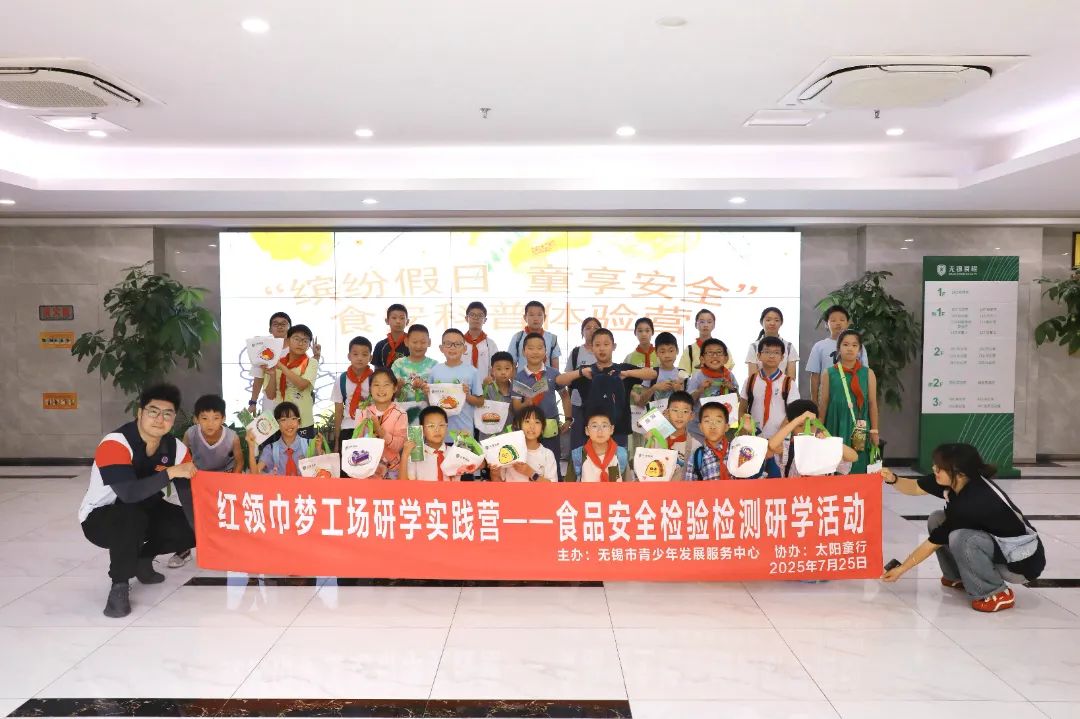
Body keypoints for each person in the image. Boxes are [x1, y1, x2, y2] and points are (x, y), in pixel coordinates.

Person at [881, 443, 1046, 613]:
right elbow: (915, 487)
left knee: (962, 538)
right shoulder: (955, 481)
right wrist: (893, 479)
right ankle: (957, 576)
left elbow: (932, 543)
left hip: (1020, 563)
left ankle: (995, 592)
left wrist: (902, 569)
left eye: (940, 467)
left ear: (960, 473)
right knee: (937, 519)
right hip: (997, 546)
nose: (934, 469)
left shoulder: (973, 501)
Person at [79, 383, 197, 618]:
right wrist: (170, 473)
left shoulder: (176, 449)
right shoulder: (115, 443)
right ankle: (120, 584)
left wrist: (205, 532)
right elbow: (128, 494)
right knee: (129, 515)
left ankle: (143, 559)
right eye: (153, 411)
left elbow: (189, 499)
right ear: (140, 413)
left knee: (195, 526)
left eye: (167, 414)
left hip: (147, 509)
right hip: (102, 517)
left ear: (174, 418)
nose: (159, 419)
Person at [168, 393, 243, 569]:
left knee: (223, 514)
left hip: (224, 478)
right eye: (204, 418)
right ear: (196, 419)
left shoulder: (232, 437)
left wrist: (233, 480)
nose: (210, 423)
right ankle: (185, 547)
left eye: (216, 418)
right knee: (191, 512)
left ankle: (226, 547)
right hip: (198, 477)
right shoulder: (191, 434)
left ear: (223, 419)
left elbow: (239, 461)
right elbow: (183, 457)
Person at [557, 328, 657, 449]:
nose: (602, 348)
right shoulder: (586, 370)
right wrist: (581, 372)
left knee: (619, 461)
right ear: (592, 348)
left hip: (619, 433)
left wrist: (627, 373)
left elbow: (652, 374)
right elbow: (559, 381)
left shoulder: (623, 369)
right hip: (592, 434)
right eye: (597, 345)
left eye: (606, 344)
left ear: (613, 346)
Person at [512, 332, 571, 479]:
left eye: (539, 348)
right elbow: (516, 407)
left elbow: (565, 396)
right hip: (528, 429)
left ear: (546, 351)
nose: (535, 352)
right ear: (524, 351)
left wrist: (568, 418)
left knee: (553, 463)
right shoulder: (519, 377)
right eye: (530, 348)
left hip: (551, 426)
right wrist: (526, 404)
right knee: (530, 462)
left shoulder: (553, 373)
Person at [819, 329, 879, 473]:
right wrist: (819, 427)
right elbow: (824, 403)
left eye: (854, 345)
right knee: (835, 465)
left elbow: (872, 403)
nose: (850, 348)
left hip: (860, 425)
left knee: (859, 463)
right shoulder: (829, 373)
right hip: (835, 422)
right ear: (838, 348)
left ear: (859, 349)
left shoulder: (868, 373)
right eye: (845, 345)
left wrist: (874, 430)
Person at [767, 400, 858, 477]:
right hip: (795, 493)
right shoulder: (788, 448)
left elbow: (853, 457)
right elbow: (771, 445)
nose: (806, 429)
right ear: (791, 425)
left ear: (818, 424)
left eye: (811, 424)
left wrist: (830, 441)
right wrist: (797, 420)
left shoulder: (825, 446)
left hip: (822, 492)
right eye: (800, 425)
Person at [740, 336, 800, 443]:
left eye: (776, 353)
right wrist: (746, 431)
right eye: (767, 352)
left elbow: (793, 413)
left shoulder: (788, 383)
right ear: (759, 356)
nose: (771, 356)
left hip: (780, 440)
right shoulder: (750, 380)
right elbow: (742, 409)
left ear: (782, 357)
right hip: (754, 438)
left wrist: (778, 436)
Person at [428, 328, 486, 439]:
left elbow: (480, 402)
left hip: (464, 431)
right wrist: (426, 393)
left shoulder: (472, 371)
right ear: (441, 348)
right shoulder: (434, 371)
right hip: (439, 433)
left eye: (457, 344)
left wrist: (467, 396)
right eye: (448, 344)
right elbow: (430, 402)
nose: (453, 347)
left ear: (464, 349)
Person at [806, 304, 868, 406]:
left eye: (842, 320)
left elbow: (864, 373)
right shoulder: (819, 346)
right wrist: (814, 401)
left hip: (853, 397)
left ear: (848, 323)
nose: (838, 323)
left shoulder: (858, 346)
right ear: (826, 324)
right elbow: (815, 376)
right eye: (833, 320)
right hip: (826, 398)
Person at [351, 368, 408, 478]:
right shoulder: (363, 413)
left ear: (395, 388)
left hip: (391, 471)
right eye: (376, 385)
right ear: (370, 389)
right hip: (366, 469)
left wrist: (380, 431)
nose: (381, 389)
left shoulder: (400, 414)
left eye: (386, 385)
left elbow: (398, 446)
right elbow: (356, 443)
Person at [265, 324, 319, 439]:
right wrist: (273, 374)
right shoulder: (275, 363)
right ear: (288, 340)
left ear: (309, 345)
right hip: (280, 421)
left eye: (305, 340)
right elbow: (270, 395)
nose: (300, 343)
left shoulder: (311, 363)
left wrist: (282, 367)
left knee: (305, 450)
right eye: (296, 339)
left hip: (303, 421)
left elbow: (302, 385)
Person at [400, 406, 477, 481]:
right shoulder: (415, 454)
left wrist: (470, 443)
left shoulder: (455, 452)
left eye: (441, 425)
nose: (437, 430)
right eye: (431, 426)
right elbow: (403, 485)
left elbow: (479, 465)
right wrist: (405, 455)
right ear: (422, 430)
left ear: (447, 427)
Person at [637, 390, 699, 481]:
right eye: (675, 410)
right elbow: (644, 467)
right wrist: (648, 443)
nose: (680, 415)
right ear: (667, 412)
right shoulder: (654, 439)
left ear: (692, 416)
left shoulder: (696, 446)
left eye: (685, 411)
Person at [685, 338, 739, 443]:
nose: (714, 356)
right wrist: (700, 390)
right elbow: (688, 402)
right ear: (702, 359)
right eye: (710, 353)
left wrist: (732, 388)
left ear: (726, 358)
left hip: (721, 430)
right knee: (699, 452)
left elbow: (738, 399)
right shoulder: (697, 377)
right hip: (698, 430)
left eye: (719, 352)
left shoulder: (729, 376)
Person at [248, 402, 321, 475]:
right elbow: (255, 474)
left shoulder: (311, 444)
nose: (289, 424)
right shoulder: (270, 449)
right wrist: (251, 447)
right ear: (276, 424)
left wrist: (318, 451)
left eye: (293, 418)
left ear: (299, 422)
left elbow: (322, 471)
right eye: (283, 420)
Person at [490, 406, 558, 482]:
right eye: (527, 421)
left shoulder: (547, 454)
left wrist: (531, 473)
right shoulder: (509, 450)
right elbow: (499, 484)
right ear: (519, 425)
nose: (532, 426)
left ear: (542, 429)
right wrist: (494, 474)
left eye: (537, 422)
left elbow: (553, 487)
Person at [331, 335, 373, 451]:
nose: (360, 358)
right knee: (347, 461)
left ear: (370, 357)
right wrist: (337, 441)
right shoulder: (341, 380)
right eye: (355, 354)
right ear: (349, 356)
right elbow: (338, 411)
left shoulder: (375, 379)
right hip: (347, 427)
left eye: (364, 354)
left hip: (369, 428)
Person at [565, 317, 600, 452]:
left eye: (596, 328)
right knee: (577, 441)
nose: (592, 330)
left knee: (597, 438)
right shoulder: (576, 352)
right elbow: (567, 378)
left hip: (599, 403)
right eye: (588, 328)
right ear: (582, 332)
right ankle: (576, 465)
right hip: (577, 403)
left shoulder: (603, 351)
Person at [391, 324, 437, 425]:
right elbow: (393, 395)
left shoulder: (435, 366)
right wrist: (398, 387)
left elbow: (437, 397)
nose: (418, 346)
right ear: (406, 342)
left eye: (423, 342)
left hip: (427, 416)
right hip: (402, 415)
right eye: (415, 342)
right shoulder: (398, 364)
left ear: (429, 342)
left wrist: (426, 390)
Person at [248, 311, 291, 415]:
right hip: (270, 400)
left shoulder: (296, 348)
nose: (280, 326)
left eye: (284, 324)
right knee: (269, 426)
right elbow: (258, 377)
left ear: (290, 328)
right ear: (270, 329)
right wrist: (253, 402)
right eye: (276, 324)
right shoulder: (263, 348)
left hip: (292, 399)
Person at [570, 409, 628, 482]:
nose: (600, 431)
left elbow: (629, 485)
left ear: (611, 429)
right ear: (587, 430)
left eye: (604, 426)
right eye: (594, 426)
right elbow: (567, 486)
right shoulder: (578, 455)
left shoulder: (621, 454)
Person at [746, 307, 798, 380]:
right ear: (761, 322)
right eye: (768, 320)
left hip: (783, 386)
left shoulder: (789, 347)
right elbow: (752, 378)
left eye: (776, 320)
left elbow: (791, 378)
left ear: (781, 323)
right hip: (760, 386)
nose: (772, 323)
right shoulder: (754, 347)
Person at [684, 403, 732, 481]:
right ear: (700, 427)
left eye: (718, 421)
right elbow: (689, 487)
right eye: (707, 421)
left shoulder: (736, 451)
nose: (712, 426)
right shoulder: (696, 457)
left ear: (726, 427)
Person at [508, 300, 561, 370]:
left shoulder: (552, 339)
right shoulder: (518, 337)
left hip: (546, 377)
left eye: (539, 315)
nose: (535, 319)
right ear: (525, 317)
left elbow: (555, 367)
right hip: (523, 377)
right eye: (531, 315)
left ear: (544, 317)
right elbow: (511, 364)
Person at [479, 351, 516, 440]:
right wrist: (483, 386)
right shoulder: (487, 388)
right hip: (488, 438)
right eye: (499, 369)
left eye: (507, 368)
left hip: (510, 437)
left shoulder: (517, 391)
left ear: (513, 370)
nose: (503, 372)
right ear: (492, 371)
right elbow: (477, 404)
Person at [462, 301, 499, 380]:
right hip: (462, 385)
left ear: (485, 320)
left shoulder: (490, 344)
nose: (476, 318)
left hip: (485, 385)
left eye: (480, 315)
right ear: (466, 318)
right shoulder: (459, 343)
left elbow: (496, 366)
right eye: (472, 315)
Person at [678, 308, 716, 375]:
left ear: (714, 325)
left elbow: (727, 368)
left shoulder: (721, 347)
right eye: (702, 322)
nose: (705, 325)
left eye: (709, 322)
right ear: (696, 325)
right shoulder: (690, 349)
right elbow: (683, 372)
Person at [372, 303, 409, 369]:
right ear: (387, 321)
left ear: (407, 321)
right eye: (394, 318)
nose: (398, 321)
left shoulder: (412, 345)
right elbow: (377, 371)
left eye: (402, 318)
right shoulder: (380, 345)